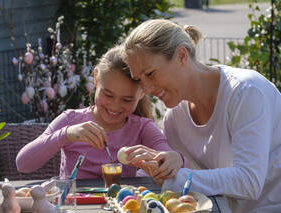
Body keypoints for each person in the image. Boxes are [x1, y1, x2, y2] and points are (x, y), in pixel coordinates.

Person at [121, 19, 281, 213]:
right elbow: (181, 178)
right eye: (140, 80)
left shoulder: (246, 92)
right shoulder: (175, 118)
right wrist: (152, 169)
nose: (146, 90)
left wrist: (178, 177)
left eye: (150, 73)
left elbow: (248, 181)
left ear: (181, 56)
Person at [16, 45, 185, 180]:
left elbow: (168, 157)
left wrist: (175, 159)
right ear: (96, 78)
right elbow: (23, 164)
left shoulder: (142, 128)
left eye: (127, 100)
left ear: (142, 93)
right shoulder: (71, 120)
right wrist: (66, 134)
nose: (115, 106)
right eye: (108, 94)